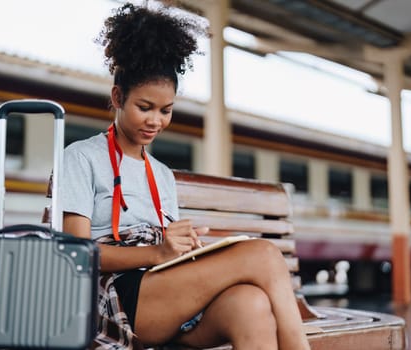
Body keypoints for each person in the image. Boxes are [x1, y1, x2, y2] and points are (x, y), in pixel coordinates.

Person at [61, 3, 311, 350]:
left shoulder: (161, 174)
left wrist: (183, 246)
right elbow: (76, 254)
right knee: (264, 255)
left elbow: (166, 255)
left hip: (163, 294)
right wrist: (157, 253)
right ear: (118, 97)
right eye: (144, 107)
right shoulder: (81, 157)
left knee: (250, 304)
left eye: (166, 110)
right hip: (113, 301)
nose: (156, 121)